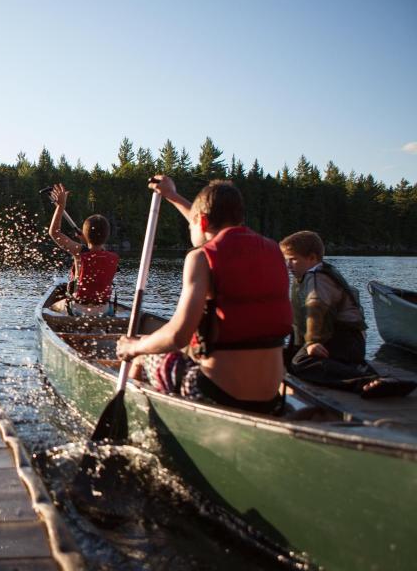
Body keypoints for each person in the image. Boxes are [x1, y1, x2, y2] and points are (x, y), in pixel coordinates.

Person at [115, 176, 293, 414]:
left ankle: (135, 413)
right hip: (270, 396)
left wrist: (134, 347)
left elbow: (177, 336)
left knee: (144, 354)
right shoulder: (273, 250)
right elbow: (210, 228)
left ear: (201, 221)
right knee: (185, 348)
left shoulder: (200, 258)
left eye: (192, 224)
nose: (190, 227)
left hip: (218, 394)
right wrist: (172, 196)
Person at [280, 230, 416, 397]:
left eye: (293, 260)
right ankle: (360, 369)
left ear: (312, 258)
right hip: (339, 339)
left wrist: (313, 342)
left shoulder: (318, 278)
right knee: (287, 358)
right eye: (286, 260)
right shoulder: (306, 277)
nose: (288, 265)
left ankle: (365, 380)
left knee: (302, 362)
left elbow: (317, 309)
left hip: (344, 340)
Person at [47, 183, 119, 316]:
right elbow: (95, 252)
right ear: (107, 236)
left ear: (86, 235)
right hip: (104, 310)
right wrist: (85, 240)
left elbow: (54, 233)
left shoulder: (79, 252)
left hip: (78, 308)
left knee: (51, 308)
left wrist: (60, 207)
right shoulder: (110, 256)